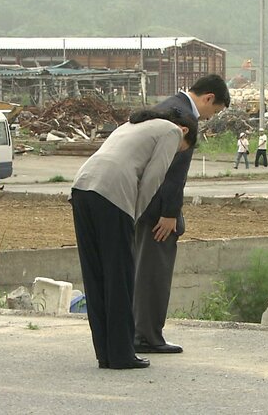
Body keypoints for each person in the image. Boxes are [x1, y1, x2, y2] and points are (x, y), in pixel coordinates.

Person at [70, 108, 198, 369]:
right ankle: (122, 355)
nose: (177, 153)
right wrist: (135, 216)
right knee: (120, 277)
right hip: (112, 193)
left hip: (82, 187)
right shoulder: (172, 131)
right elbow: (153, 178)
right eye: (181, 150)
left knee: (95, 276)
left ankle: (105, 353)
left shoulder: (133, 125)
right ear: (185, 131)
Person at [134, 74, 230, 354]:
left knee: (139, 269)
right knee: (154, 273)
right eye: (214, 111)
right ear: (208, 98)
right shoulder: (185, 118)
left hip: (138, 201)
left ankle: (137, 331)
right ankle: (148, 336)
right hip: (157, 209)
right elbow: (175, 173)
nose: (210, 117)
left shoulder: (167, 105)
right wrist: (170, 213)